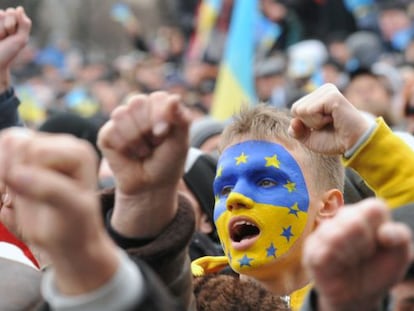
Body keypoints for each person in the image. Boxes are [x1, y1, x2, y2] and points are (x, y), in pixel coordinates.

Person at [192, 83, 414, 310]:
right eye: (225, 189)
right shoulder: (180, 299)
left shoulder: (369, 297)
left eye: (266, 181)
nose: (234, 198)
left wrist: (365, 140)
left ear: (328, 206)